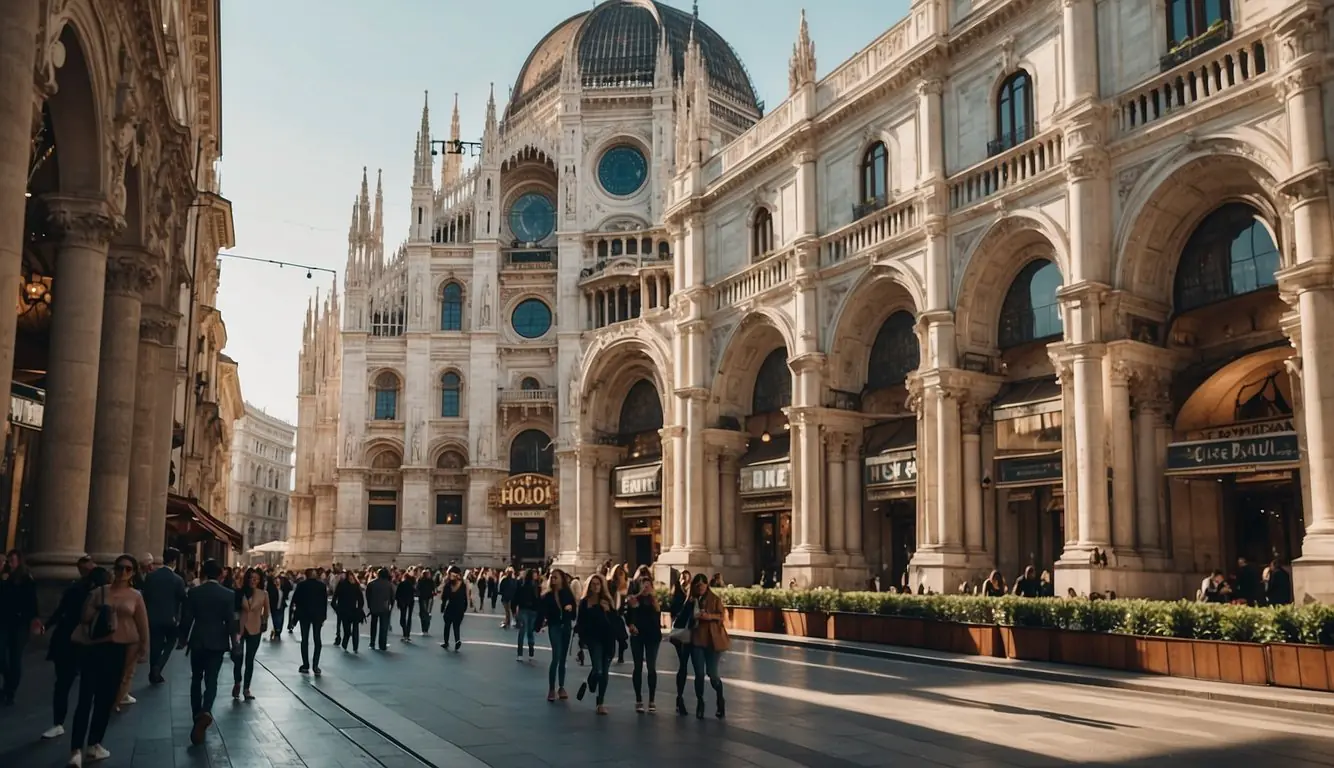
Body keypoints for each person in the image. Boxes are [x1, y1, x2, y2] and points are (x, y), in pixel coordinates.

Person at [67, 557, 149, 766]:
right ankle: (76, 749)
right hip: (94, 648)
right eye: (119, 568)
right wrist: (102, 610)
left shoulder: (136, 596)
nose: (122, 572)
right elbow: (84, 617)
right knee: (85, 699)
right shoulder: (99, 592)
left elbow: (142, 625)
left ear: (133, 573)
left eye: (127, 569)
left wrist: (144, 649)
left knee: (106, 700)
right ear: (115, 569)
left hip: (118, 651)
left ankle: (94, 743)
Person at [177, 559, 236, 747]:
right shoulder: (228, 594)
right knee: (212, 680)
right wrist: (234, 642)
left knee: (196, 678)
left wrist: (183, 638)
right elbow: (230, 622)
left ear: (203, 574)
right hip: (218, 642)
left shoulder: (194, 592)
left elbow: (187, 618)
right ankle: (206, 710)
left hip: (198, 640)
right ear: (220, 575)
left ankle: (197, 715)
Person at [41, 556, 99, 740]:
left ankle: (61, 724)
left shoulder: (98, 591)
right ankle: (58, 722)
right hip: (71, 640)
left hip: (85, 641)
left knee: (73, 684)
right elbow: (62, 610)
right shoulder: (78, 589)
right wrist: (47, 625)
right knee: (64, 683)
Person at [574, 573, 620, 715]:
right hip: (593, 640)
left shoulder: (607, 600)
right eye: (593, 584)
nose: (596, 586)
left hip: (608, 639)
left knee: (604, 672)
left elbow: (616, 621)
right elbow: (580, 623)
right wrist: (581, 642)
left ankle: (600, 703)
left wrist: (608, 610)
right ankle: (591, 681)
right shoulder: (584, 602)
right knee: (598, 669)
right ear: (589, 586)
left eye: (598, 584)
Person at [0, 548, 41, 706]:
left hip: (19, 624)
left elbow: (32, 602)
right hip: (4, 622)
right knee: (2, 654)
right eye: (8, 561)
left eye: (12, 561)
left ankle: (10, 689)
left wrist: (33, 619)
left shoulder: (26, 579)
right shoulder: (6, 578)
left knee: (15, 656)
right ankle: (9, 680)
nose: (9, 564)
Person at [141, 546, 187, 686]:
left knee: (155, 645)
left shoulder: (151, 576)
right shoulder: (177, 579)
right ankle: (158, 667)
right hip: (170, 618)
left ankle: (153, 672)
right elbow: (182, 599)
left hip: (152, 617)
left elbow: (145, 596)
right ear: (174, 561)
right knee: (171, 642)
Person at [687, 573, 728, 719]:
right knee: (699, 674)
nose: (700, 588)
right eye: (697, 585)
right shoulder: (691, 600)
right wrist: (693, 615)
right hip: (697, 640)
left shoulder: (715, 599)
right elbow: (683, 617)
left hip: (712, 642)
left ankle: (720, 699)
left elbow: (722, 616)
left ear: (706, 585)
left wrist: (709, 616)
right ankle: (700, 702)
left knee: (713, 675)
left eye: (702, 585)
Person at [626, 571, 662, 713]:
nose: (646, 588)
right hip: (638, 636)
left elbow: (657, 619)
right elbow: (628, 617)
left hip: (652, 636)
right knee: (638, 667)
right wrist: (631, 624)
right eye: (643, 585)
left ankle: (652, 700)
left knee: (651, 667)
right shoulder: (634, 600)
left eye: (648, 585)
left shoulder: (655, 601)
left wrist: (655, 604)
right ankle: (639, 699)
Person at [537, 570, 576, 701]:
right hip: (554, 627)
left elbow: (574, 609)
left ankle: (562, 686)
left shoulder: (567, 593)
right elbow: (542, 612)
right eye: (551, 578)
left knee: (563, 659)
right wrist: (538, 625)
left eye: (556, 578)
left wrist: (571, 608)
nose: (553, 580)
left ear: (561, 579)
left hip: (566, 626)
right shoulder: (547, 596)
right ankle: (551, 688)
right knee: (556, 656)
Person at [231, 568, 269, 700]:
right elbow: (235, 610)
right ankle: (237, 682)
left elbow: (266, 612)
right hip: (240, 628)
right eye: (252, 578)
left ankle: (246, 688)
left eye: (256, 579)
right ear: (247, 579)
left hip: (255, 629)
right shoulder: (239, 592)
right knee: (238, 657)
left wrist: (264, 622)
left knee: (250, 659)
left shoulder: (263, 594)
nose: (254, 581)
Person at [292, 567, 328, 673]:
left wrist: (294, 618)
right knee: (317, 640)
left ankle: (306, 665)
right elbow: (324, 602)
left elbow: (295, 601)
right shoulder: (321, 586)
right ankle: (315, 665)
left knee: (305, 640)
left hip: (304, 616)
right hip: (317, 616)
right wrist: (323, 616)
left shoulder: (301, 585)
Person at [668, 569, 693, 715]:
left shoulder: (698, 599)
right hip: (682, 634)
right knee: (683, 665)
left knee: (696, 669)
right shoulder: (679, 593)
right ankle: (680, 697)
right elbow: (675, 612)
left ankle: (696, 699)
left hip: (694, 635)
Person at [332, 570, 366, 653]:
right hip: (350, 611)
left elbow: (334, 599)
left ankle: (350, 646)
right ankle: (351, 646)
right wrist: (359, 609)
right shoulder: (353, 585)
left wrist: (337, 609)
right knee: (351, 630)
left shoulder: (346, 585)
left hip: (347, 611)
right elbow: (361, 600)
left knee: (350, 630)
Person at [513, 568, 541, 661]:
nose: (536, 575)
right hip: (526, 610)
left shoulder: (535, 586)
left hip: (530, 611)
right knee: (525, 631)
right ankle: (524, 652)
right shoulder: (525, 585)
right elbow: (516, 597)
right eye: (534, 574)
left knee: (527, 631)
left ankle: (528, 651)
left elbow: (539, 600)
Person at [439, 566, 468, 651]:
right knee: (456, 626)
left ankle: (446, 642)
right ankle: (457, 640)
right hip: (459, 608)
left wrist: (442, 608)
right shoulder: (463, 585)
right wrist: (464, 608)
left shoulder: (448, 585)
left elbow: (444, 598)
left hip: (450, 607)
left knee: (447, 625)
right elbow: (465, 598)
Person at [366, 567, 394, 651]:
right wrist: (391, 606)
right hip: (385, 607)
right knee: (383, 627)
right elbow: (392, 596)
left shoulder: (371, 583)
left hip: (374, 607)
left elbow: (368, 596)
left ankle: (372, 643)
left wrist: (369, 606)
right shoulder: (389, 584)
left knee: (373, 625)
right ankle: (382, 644)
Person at [607, 564, 629, 663]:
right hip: (611, 614)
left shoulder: (627, 584)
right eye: (618, 573)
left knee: (621, 637)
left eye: (622, 573)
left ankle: (621, 655)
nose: (620, 575)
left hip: (620, 614)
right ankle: (611, 654)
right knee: (613, 636)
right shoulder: (610, 584)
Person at [395, 569, 416, 642]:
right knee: (409, 618)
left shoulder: (401, 584)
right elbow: (415, 593)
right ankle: (407, 634)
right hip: (410, 602)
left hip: (402, 602)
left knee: (402, 618)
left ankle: (405, 633)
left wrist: (398, 602)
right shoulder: (411, 585)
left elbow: (397, 594)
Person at [416, 568, 436, 636]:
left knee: (423, 613)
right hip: (429, 598)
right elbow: (434, 590)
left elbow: (417, 589)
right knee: (427, 613)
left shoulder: (420, 580)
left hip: (422, 598)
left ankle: (424, 629)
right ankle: (426, 629)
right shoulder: (431, 581)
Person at [266, 570, 284, 641]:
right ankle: (277, 632)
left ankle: (278, 631)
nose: (277, 581)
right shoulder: (272, 589)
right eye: (275, 580)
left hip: (281, 607)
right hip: (274, 607)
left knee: (280, 620)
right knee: (276, 620)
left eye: (278, 580)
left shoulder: (281, 589)